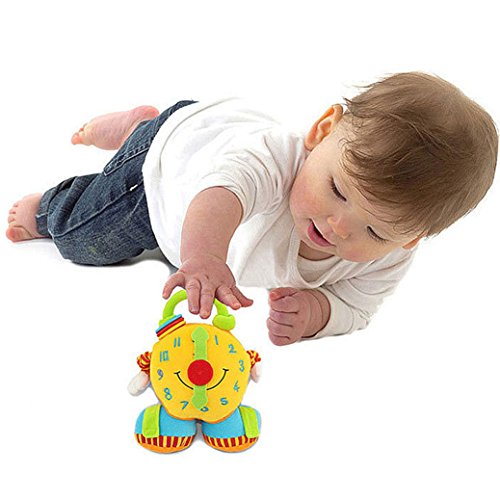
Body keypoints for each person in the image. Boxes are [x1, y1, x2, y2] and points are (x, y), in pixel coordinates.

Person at [6, 72, 498, 345]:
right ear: (322, 132)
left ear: (410, 238)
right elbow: (222, 193)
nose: (338, 225)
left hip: (212, 140)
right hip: (170, 168)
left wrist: (318, 312)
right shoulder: (275, 161)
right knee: (85, 239)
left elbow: (358, 307)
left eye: (375, 231)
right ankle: (50, 206)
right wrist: (204, 258)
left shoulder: (390, 257)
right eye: (338, 190)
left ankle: (138, 125)